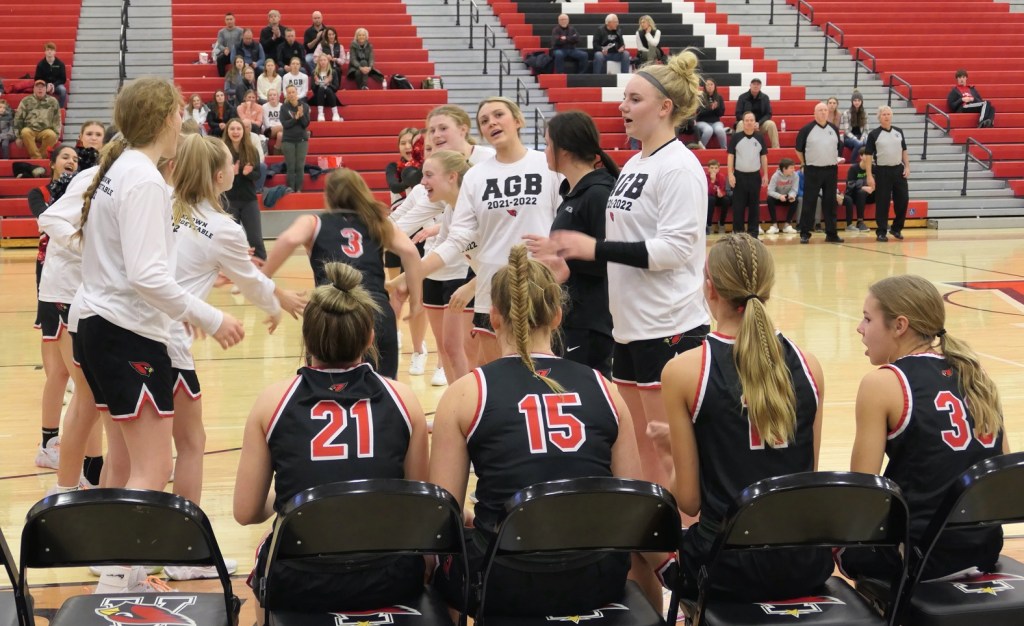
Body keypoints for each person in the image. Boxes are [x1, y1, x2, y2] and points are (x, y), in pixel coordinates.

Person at [38, 78, 244, 506]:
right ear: (166, 119)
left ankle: (106, 545)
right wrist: (211, 317)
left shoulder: (119, 169)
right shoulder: (144, 179)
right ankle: (121, 554)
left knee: (124, 461)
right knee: (153, 469)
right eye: (179, 114)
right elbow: (147, 277)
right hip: (125, 331)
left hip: (96, 323)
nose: (182, 122)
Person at [430, 244, 667, 616]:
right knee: (637, 548)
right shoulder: (605, 389)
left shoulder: (465, 393)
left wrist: (479, 518)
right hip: (595, 577)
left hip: (503, 580)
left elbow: (444, 516)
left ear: (494, 317)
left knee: (438, 557)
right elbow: (633, 507)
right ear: (557, 316)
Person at [235, 262, 429, 622]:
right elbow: (418, 507)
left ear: (307, 338)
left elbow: (246, 512)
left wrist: (298, 496)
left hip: (302, 580)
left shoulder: (272, 401)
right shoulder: (404, 399)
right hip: (388, 577)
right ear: (370, 337)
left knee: (266, 554)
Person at [552, 50, 711, 488]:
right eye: (625, 98)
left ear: (665, 108)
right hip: (628, 326)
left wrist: (594, 248)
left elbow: (676, 249)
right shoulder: (636, 163)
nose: (623, 106)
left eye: (635, 99)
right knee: (640, 445)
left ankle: (685, 526)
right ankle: (651, 527)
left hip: (668, 325)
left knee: (669, 449)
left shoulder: (679, 167)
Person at [661, 233, 833, 600]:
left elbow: (688, 501)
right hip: (803, 560)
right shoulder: (810, 365)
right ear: (768, 287)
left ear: (709, 288)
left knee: (641, 543)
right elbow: (806, 473)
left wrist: (672, 452)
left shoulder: (685, 370)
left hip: (726, 565)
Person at [165, 134, 305, 581]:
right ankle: (183, 554)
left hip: (128, 330)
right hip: (167, 342)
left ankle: (117, 556)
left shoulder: (163, 202)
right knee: (190, 444)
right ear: (219, 174)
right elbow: (250, 280)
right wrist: (277, 303)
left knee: (133, 454)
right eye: (228, 160)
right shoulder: (222, 226)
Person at [839, 275, 1008, 581]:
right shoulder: (975, 372)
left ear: (899, 326)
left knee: (838, 543)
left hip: (919, 558)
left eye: (867, 318)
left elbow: (862, 495)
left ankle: (886, 603)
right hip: (985, 548)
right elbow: (1001, 473)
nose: (859, 328)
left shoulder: (883, 382)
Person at [411, 97, 559, 367]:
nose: (492, 122)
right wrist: (413, 273)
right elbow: (457, 238)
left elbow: (566, 221)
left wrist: (557, 249)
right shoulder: (476, 176)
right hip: (491, 290)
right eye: (484, 120)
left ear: (518, 120)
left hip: (540, 286)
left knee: (544, 372)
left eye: (498, 115)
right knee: (499, 375)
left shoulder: (547, 164)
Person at [261, 168, 424, 379]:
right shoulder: (378, 222)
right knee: (382, 388)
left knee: (325, 386)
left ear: (328, 195)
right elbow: (411, 253)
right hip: (374, 309)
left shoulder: (313, 222)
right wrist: (416, 302)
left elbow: (289, 239)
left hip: (330, 310)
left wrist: (264, 279)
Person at [524, 110, 618, 378]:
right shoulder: (574, 194)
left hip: (591, 320)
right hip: (572, 317)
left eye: (547, 144)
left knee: (586, 391)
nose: (544, 151)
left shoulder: (598, 194)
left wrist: (563, 259)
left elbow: (610, 259)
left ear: (563, 150)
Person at [29, 145, 79, 471]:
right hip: (55, 282)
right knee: (64, 373)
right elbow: (45, 221)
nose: (71, 161)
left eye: (75, 158)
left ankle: (50, 443)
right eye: (65, 157)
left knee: (62, 372)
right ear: (52, 162)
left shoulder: (83, 189)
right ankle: (61, 448)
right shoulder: (43, 193)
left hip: (69, 283)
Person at [414, 149, 475, 386]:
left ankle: (474, 400)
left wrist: (472, 286)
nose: (422, 181)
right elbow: (441, 246)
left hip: (475, 280)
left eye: (429, 175)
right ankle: (458, 398)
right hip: (466, 278)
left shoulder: (474, 206)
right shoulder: (451, 209)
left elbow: (500, 255)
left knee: (471, 351)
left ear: (452, 176)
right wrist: (399, 281)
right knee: (449, 347)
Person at [796, 102, 844, 244]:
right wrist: (804, 163)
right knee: (809, 202)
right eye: (820, 110)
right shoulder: (806, 129)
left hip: (831, 170)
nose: (823, 112)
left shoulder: (834, 129)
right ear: (814, 113)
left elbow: (838, 147)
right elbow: (798, 149)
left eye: (825, 110)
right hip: (813, 170)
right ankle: (805, 233)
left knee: (830, 203)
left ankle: (831, 233)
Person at [864, 105, 911, 242]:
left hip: (898, 170)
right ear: (879, 117)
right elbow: (868, 155)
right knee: (882, 203)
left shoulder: (899, 132)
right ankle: (881, 231)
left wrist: (907, 166)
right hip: (882, 171)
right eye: (884, 114)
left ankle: (896, 228)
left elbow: (904, 150)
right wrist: (869, 175)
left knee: (903, 200)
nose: (886, 116)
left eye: (888, 114)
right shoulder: (874, 134)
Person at [224, 118, 267, 261]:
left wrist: (248, 173)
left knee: (255, 239)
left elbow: (258, 174)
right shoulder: (222, 151)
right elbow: (216, 177)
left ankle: (263, 268)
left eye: (238, 128)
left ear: (244, 131)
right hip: (228, 201)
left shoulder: (251, 150)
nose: (235, 132)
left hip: (249, 200)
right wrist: (231, 174)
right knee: (231, 241)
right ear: (227, 131)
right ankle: (232, 269)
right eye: (232, 129)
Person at [727, 111, 769, 239]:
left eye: (751, 120)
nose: (749, 122)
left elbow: (763, 157)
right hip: (739, 177)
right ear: (743, 122)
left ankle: (753, 235)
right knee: (738, 207)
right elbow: (730, 156)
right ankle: (738, 235)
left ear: (755, 122)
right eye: (747, 120)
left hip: (755, 177)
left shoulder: (760, 137)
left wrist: (765, 174)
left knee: (754, 207)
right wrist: (730, 174)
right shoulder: (736, 137)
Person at [14, 80, 61, 159]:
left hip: (45, 130)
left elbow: (57, 119)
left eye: (42, 87)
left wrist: (56, 135)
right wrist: (18, 137)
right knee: (25, 132)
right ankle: (38, 159)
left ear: (46, 89)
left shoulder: (53, 101)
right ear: (34, 89)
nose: (40, 89)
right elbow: (18, 118)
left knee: (52, 135)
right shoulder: (26, 101)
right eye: (38, 87)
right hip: (30, 129)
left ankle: (39, 158)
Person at [279, 85, 310, 192]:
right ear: (286, 95)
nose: (291, 94)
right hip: (288, 140)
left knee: (300, 166)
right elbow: (285, 124)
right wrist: (295, 118)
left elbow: (305, 124)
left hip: (302, 140)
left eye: (293, 92)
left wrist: (301, 116)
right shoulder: (284, 107)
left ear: (297, 93)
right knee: (291, 166)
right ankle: (291, 188)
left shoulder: (304, 106)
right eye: (289, 93)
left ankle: (299, 189)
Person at [735, 78, 779, 149]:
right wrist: (749, 122)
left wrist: (759, 123)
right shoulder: (742, 97)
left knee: (771, 124)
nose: (756, 86)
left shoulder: (765, 97)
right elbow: (738, 114)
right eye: (754, 84)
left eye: (758, 84)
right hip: (746, 124)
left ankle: (776, 149)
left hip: (760, 125)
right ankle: (737, 148)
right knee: (740, 123)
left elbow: (768, 114)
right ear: (750, 85)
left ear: (760, 86)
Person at [385, 127, 421, 207]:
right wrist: (415, 178)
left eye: (411, 142)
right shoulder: (393, 167)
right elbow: (394, 187)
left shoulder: (427, 166)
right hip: (400, 212)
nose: (407, 146)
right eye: (403, 143)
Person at [842, 147, 873, 232]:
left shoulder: (873, 167)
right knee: (861, 192)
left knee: (883, 192)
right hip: (856, 196)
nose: (869, 157)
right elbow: (850, 185)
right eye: (866, 155)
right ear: (861, 156)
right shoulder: (854, 169)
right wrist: (863, 186)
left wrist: (873, 187)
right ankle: (860, 222)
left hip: (869, 195)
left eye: (870, 155)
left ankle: (883, 222)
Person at [765, 157, 799, 234]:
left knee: (796, 200)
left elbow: (794, 189)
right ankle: (774, 226)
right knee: (769, 199)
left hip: (788, 197)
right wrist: (779, 196)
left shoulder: (795, 176)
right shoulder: (775, 176)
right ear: (784, 169)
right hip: (778, 197)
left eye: (793, 167)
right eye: (791, 168)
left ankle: (787, 225)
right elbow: (770, 191)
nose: (793, 169)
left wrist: (791, 196)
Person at [695, 77, 727, 150]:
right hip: (702, 121)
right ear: (705, 87)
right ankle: (701, 149)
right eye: (707, 85)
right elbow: (698, 112)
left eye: (711, 84)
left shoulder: (719, 97)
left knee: (720, 130)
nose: (709, 86)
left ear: (715, 86)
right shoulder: (700, 97)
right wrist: (710, 109)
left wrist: (716, 108)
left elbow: (721, 113)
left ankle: (724, 149)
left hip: (715, 122)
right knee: (708, 130)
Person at [34, 42, 68, 108]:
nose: (49, 52)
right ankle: (41, 109)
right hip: (44, 85)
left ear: (55, 52)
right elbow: (37, 78)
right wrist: (46, 85)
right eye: (47, 50)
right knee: (38, 90)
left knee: (63, 90)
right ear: (45, 52)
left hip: (57, 85)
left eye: (51, 50)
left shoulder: (60, 64)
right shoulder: (40, 64)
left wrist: (53, 85)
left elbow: (63, 79)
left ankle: (59, 109)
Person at [310, 54, 342, 122]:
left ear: (328, 61)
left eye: (324, 60)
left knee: (327, 89)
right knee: (321, 88)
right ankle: (320, 113)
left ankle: (335, 113)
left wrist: (328, 84)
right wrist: (317, 83)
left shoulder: (333, 72)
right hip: (318, 98)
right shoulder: (314, 73)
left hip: (330, 97)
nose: (323, 62)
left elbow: (336, 88)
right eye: (321, 60)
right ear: (318, 62)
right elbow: (313, 89)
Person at [705, 159, 731, 234]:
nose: (714, 170)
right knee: (711, 199)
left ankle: (722, 224)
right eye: (712, 168)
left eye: (716, 168)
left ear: (718, 169)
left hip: (718, 198)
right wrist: (712, 181)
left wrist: (721, 193)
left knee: (726, 200)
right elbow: (708, 192)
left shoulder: (721, 177)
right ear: (708, 169)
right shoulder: (706, 177)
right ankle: (709, 224)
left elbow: (723, 190)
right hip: (710, 197)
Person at [215, 12, 243, 78]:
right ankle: (222, 77)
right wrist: (224, 49)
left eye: (231, 19)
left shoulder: (240, 31)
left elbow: (242, 43)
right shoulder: (221, 32)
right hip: (227, 53)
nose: (229, 21)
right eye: (227, 19)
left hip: (237, 53)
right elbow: (219, 44)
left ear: (234, 20)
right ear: (225, 21)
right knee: (220, 59)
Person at [841, 91, 868, 157]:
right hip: (849, 138)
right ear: (852, 101)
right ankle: (852, 162)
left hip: (860, 136)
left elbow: (866, 130)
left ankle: (868, 161)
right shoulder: (846, 113)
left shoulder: (864, 113)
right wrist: (855, 138)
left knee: (868, 142)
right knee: (858, 144)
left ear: (861, 102)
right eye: (855, 100)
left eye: (859, 100)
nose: (857, 102)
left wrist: (862, 138)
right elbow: (846, 131)